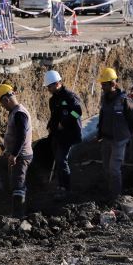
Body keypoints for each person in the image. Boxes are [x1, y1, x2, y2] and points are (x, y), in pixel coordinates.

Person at [97, 68, 133, 201]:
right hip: (106, 138)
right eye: (102, 84)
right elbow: (102, 116)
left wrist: (128, 135)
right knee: (105, 167)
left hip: (119, 140)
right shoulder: (104, 99)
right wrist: (99, 133)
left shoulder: (124, 100)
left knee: (114, 169)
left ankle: (115, 196)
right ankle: (108, 190)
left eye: (104, 84)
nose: (102, 87)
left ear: (113, 84)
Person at [0, 83, 33, 218]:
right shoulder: (16, 112)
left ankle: (18, 216)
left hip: (21, 156)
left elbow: (22, 136)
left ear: (6, 100)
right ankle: (13, 207)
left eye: (2, 103)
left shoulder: (19, 114)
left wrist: (14, 154)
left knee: (18, 184)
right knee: (15, 181)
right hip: (17, 154)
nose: (3, 107)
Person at [44, 70, 83, 199]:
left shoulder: (70, 96)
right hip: (57, 134)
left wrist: (64, 123)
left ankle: (66, 188)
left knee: (61, 160)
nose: (48, 89)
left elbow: (77, 112)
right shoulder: (53, 100)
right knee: (58, 159)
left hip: (68, 134)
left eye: (49, 86)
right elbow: (54, 115)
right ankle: (60, 185)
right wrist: (51, 126)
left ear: (57, 83)